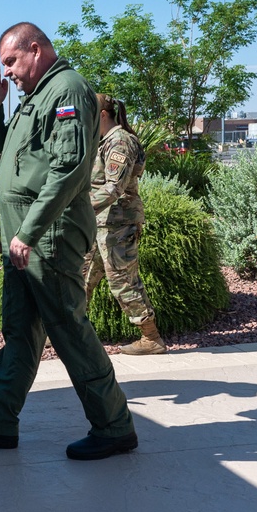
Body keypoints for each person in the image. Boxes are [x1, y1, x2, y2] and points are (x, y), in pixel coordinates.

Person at [0, 22, 138, 460]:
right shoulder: (35, 97)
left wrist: (29, 233)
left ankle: (114, 426)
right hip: (24, 235)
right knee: (20, 332)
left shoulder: (67, 89)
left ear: (35, 49)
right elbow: (0, 158)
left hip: (48, 234)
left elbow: (67, 170)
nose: (8, 71)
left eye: (12, 61)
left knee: (68, 329)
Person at [83, 94, 166, 355]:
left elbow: (113, 188)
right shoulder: (104, 141)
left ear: (103, 116)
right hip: (99, 222)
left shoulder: (120, 142)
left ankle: (151, 337)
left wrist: (78, 209)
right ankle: (67, 334)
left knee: (122, 280)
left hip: (117, 222)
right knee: (80, 277)